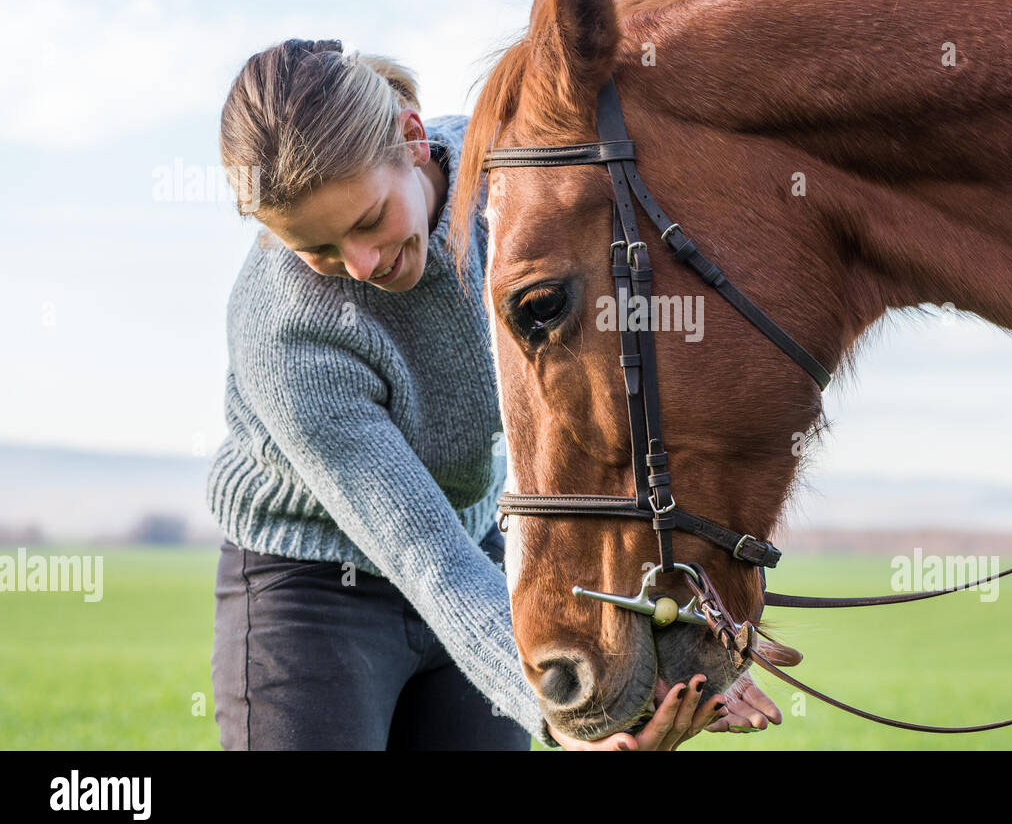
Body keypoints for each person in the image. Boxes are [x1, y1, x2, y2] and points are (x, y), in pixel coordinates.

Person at [207, 38, 781, 750]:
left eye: (365, 220)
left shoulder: (517, 195)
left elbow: (608, 431)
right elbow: (423, 552)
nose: (357, 265)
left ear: (413, 141)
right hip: (310, 589)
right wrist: (559, 716)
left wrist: (685, 640)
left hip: (480, 551)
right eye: (316, 249)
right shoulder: (282, 329)